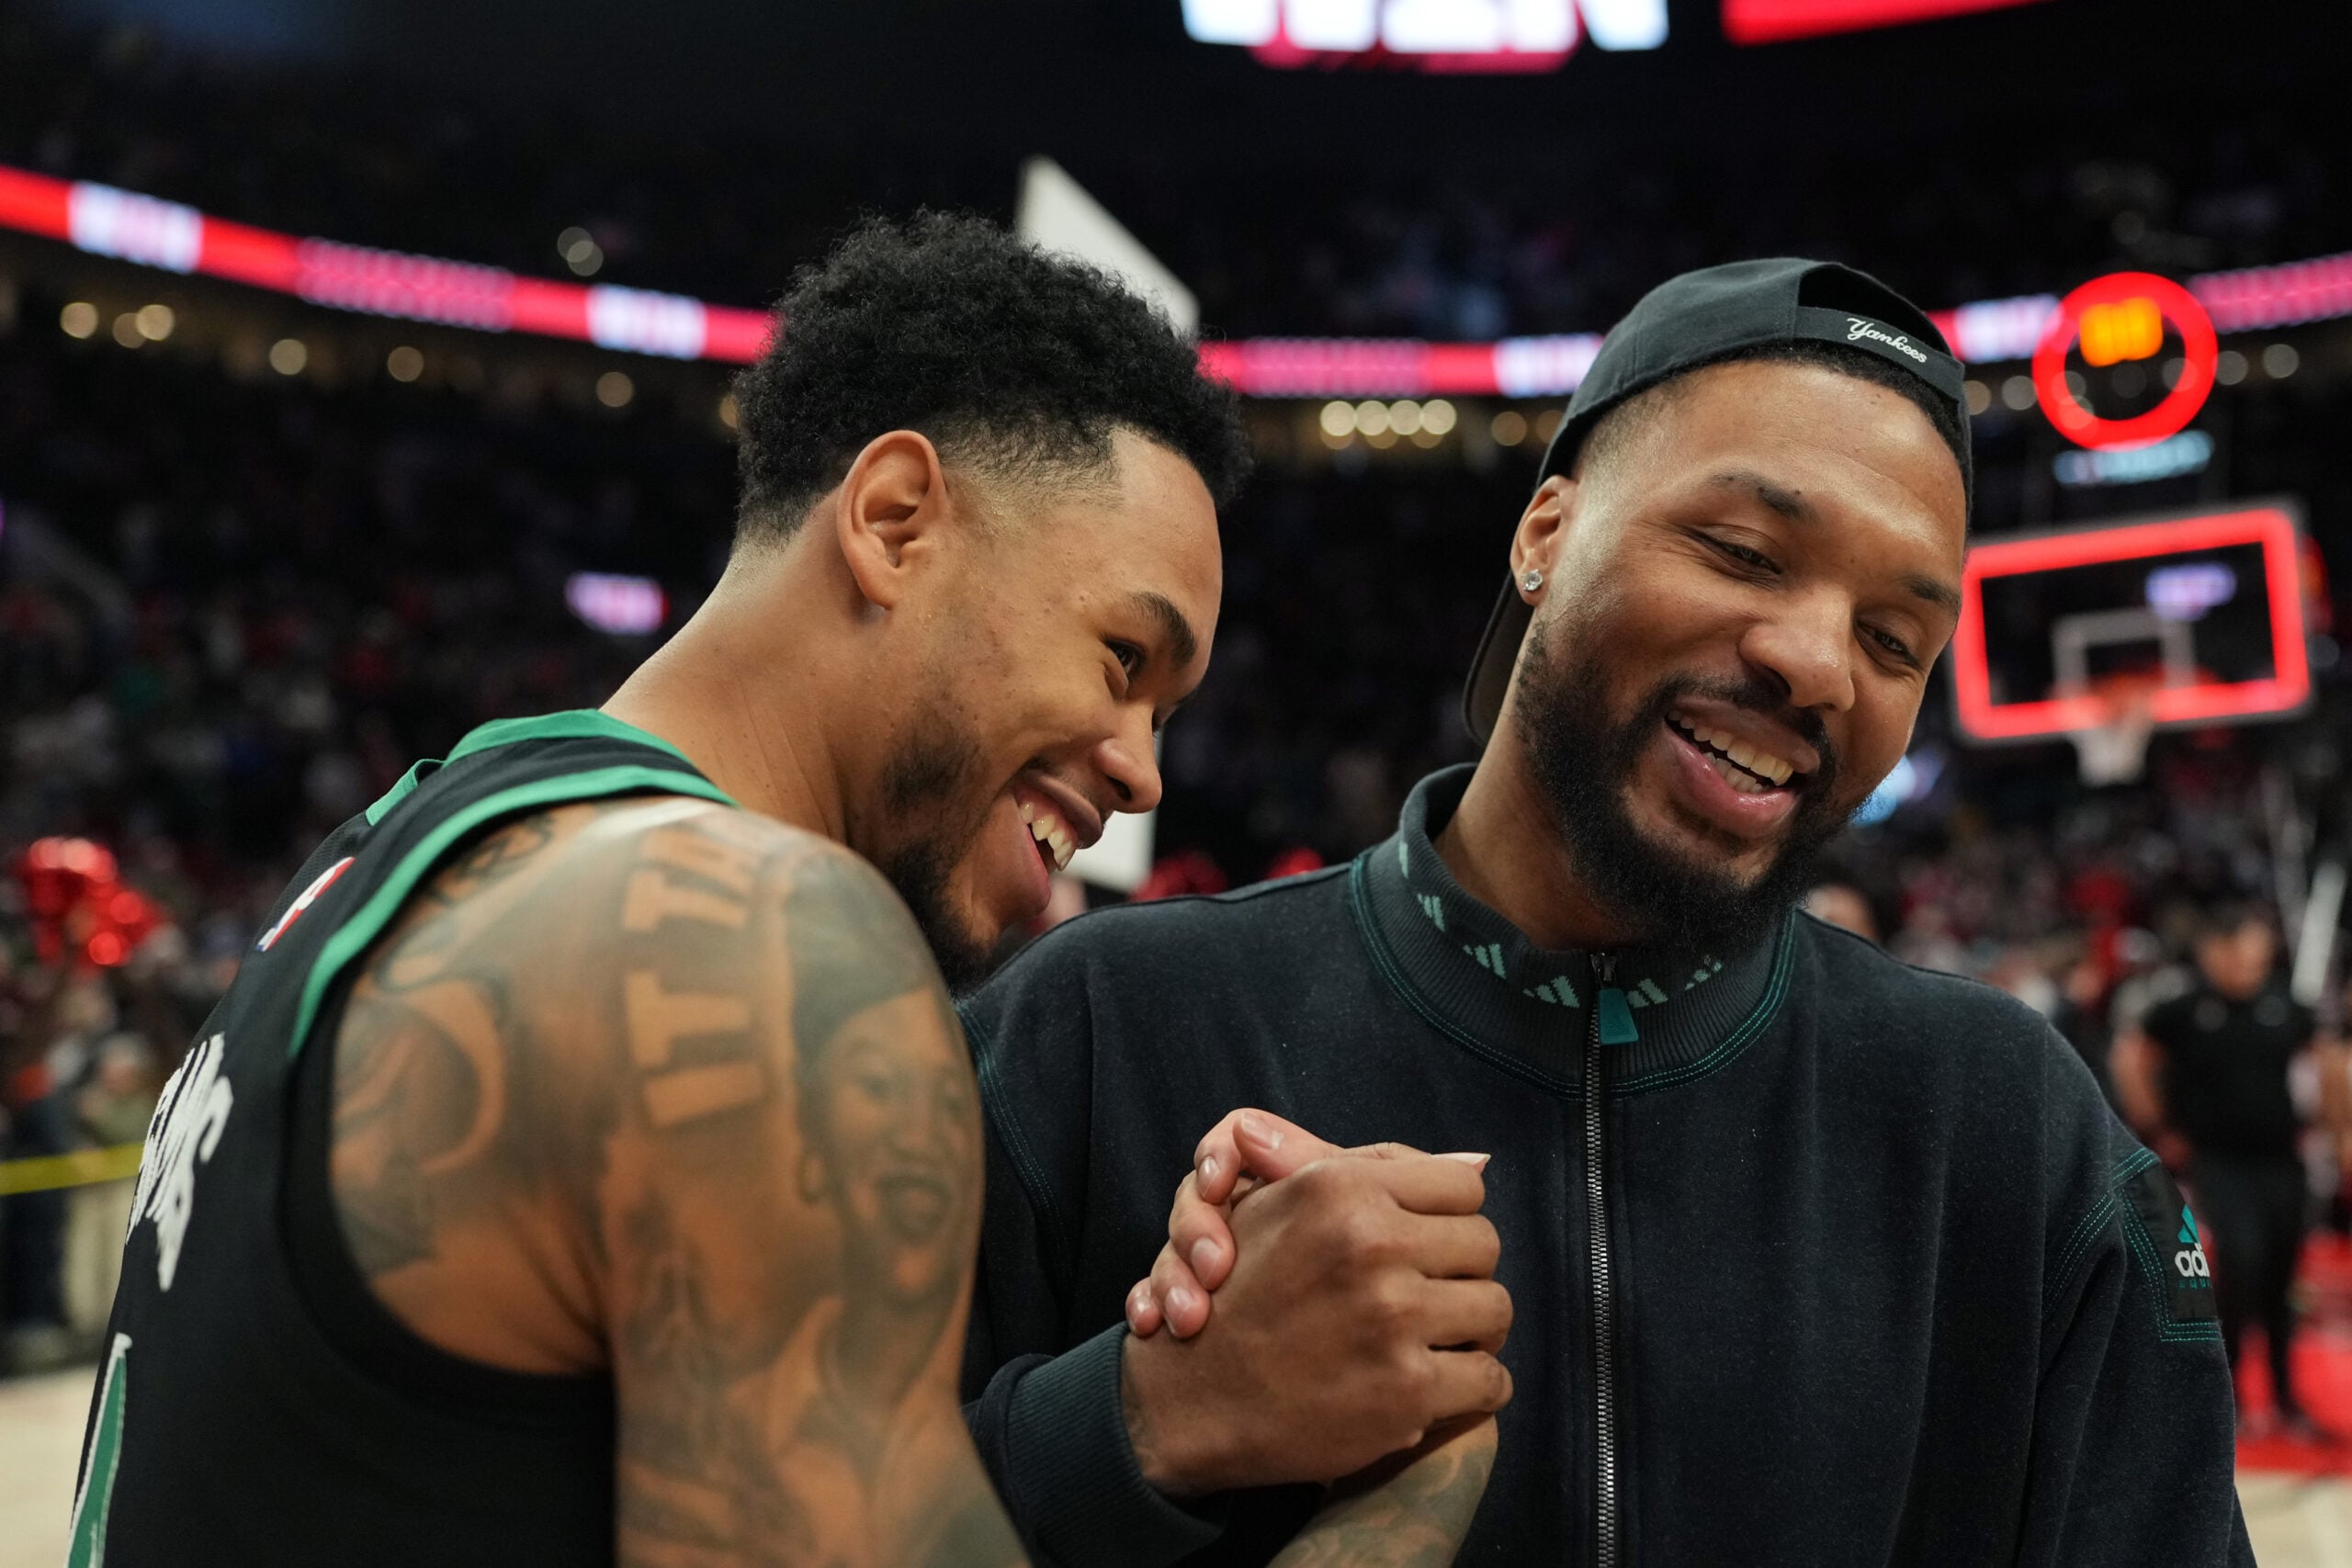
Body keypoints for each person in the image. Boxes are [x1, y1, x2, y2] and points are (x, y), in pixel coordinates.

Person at [959, 260, 2250, 1564]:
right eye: (1744, 552)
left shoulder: (2012, 1131)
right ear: (1545, 533)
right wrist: (1143, 1423)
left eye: (1895, 640)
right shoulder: (1095, 1027)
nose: (1816, 663)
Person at [70, 213, 1270, 1567]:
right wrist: (1365, 1494)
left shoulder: (399, 845)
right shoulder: (754, 947)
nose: (1143, 773)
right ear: (892, 521)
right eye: (1123, 658)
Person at [2117, 903, 2319, 1433]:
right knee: (2241, 1261)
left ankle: (2284, 1395)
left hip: (2282, 1161)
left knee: (2282, 1274)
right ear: (2213, 952)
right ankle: (2222, 1388)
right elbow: (2132, 1055)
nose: (2246, 963)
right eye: (2236, 952)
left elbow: (2324, 1061)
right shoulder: (2184, 1009)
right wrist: (2157, 1127)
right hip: (2220, 1162)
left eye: (2256, 951)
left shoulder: (2285, 1006)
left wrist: (2335, 1127)